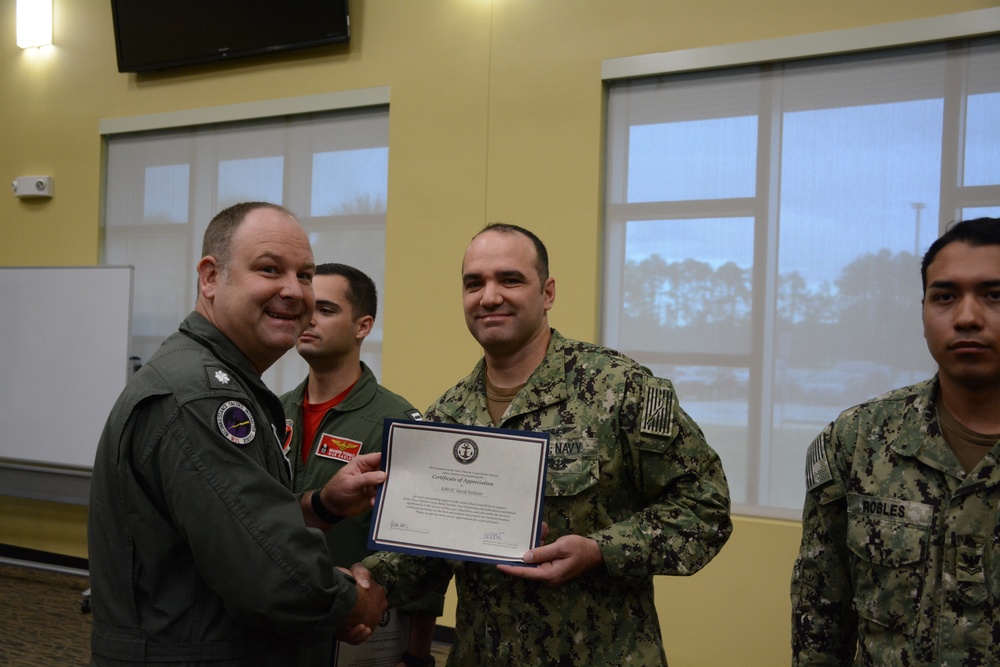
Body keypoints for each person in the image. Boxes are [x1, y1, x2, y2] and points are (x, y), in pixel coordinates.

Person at [358, 222, 733, 666]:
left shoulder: (618, 388)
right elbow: (430, 550)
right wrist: (368, 582)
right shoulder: (447, 415)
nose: (489, 296)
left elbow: (704, 507)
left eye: (510, 279)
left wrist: (600, 550)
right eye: (474, 283)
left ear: (548, 293)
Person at [88, 202, 388, 667]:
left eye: (305, 275)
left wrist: (321, 505)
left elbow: (229, 524)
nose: (293, 291)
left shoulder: (220, 380)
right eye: (270, 269)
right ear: (210, 277)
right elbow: (271, 572)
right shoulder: (201, 397)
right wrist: (353, 601)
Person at [791, 216, 1000, 665]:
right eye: (944, 297)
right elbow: (820, 612)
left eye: (994, 295)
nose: (966, 317)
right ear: (924, 311)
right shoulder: (859, 438)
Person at [280, 263, 443, 667]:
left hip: (361, 635)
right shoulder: (271, 412)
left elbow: (422, 544)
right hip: (275, 626)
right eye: (305, 306)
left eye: (326, 309)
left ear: (362, 325)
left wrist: (418, 653)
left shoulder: (399, 422)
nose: (308, 318)